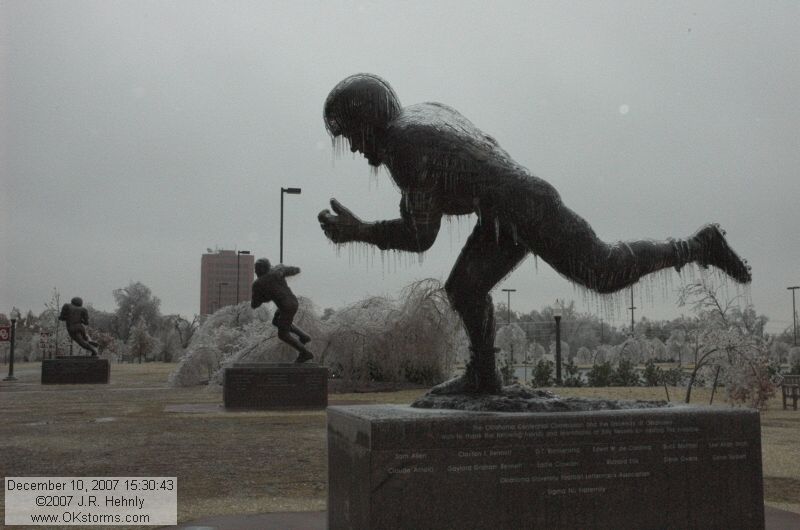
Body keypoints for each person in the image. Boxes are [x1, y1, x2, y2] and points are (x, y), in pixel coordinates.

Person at [318, 73, 752, 394]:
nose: (355, 148)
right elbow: (482, 148)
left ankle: (698, 245)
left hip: (524, 208)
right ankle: (484, 377)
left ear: (368, 120)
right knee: (465, 290)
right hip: (508, 209)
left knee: (603, 271)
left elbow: (420, 237)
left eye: (352, 136)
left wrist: (360, 232)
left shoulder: (403, 146)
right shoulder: (423, 116)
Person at [250, 258, 314, 363]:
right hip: (293, 302)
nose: (255, 271)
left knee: (283, 334)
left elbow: (255, 304)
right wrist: (282, 270)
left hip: (285, 307)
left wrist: (263, 297)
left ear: (261, 269)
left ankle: (305, 353)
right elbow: (296, 270)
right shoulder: (277, 271)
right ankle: (303, 336)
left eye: (256, 269)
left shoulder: (258, 284)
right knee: (276, 321)